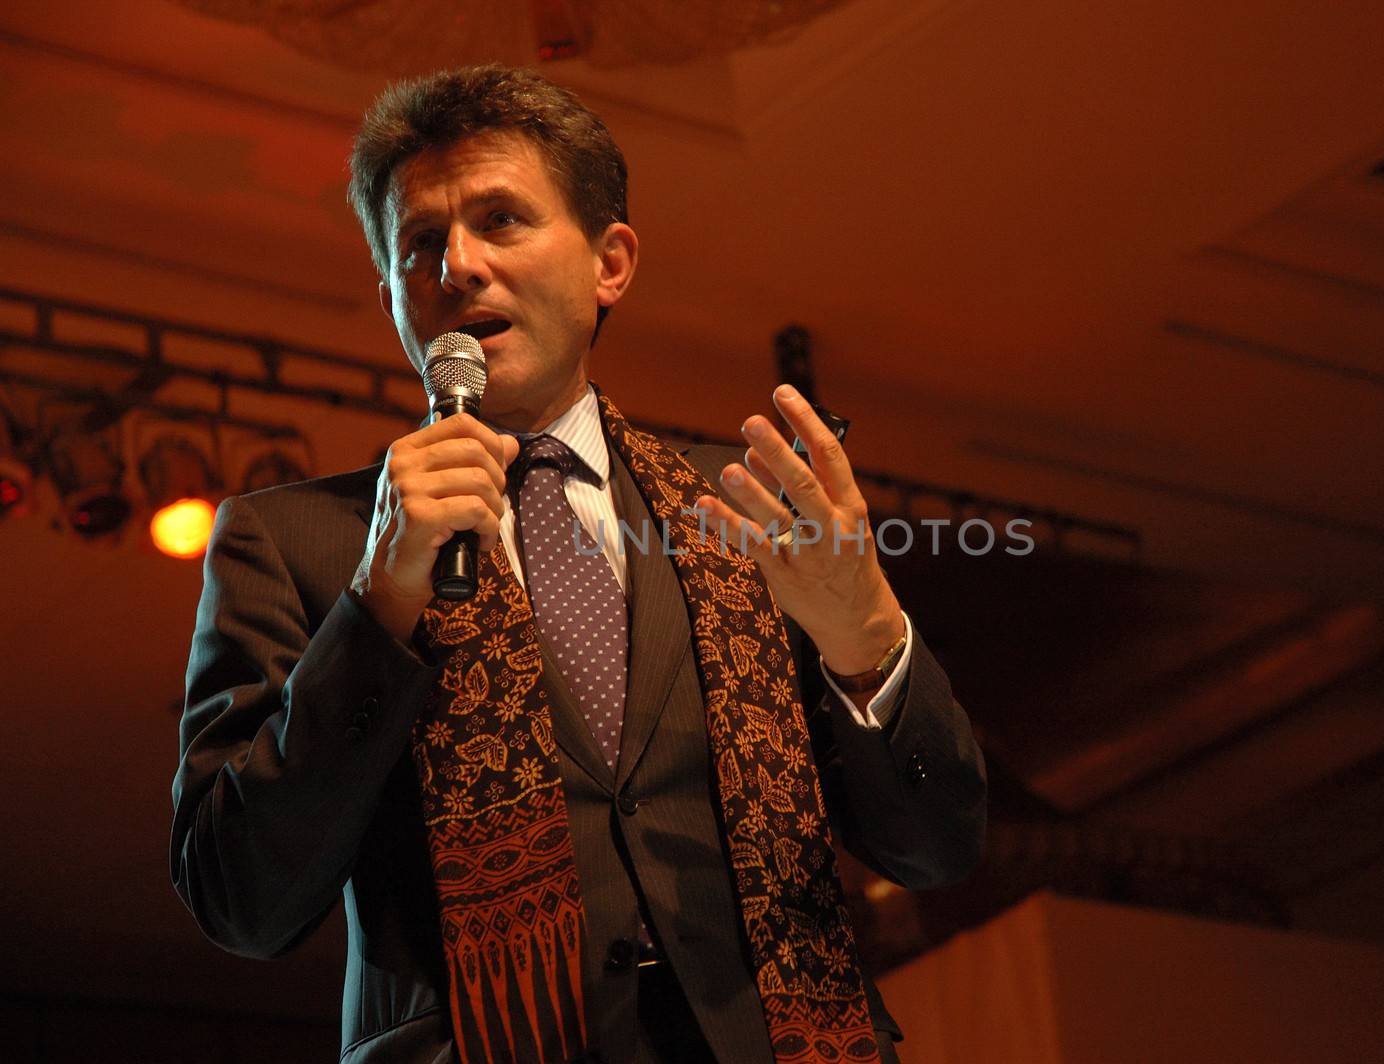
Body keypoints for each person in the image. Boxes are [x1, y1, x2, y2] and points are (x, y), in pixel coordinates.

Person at [171, 64, 985, 1064]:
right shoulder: (293, 539)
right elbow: (239, 899)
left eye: (501, 220)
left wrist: (868, 640)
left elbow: (937, 847)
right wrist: (378, 604)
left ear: (611, 262)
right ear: (390, 291)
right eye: (419, 243)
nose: (457, 266)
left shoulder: (741, 512)